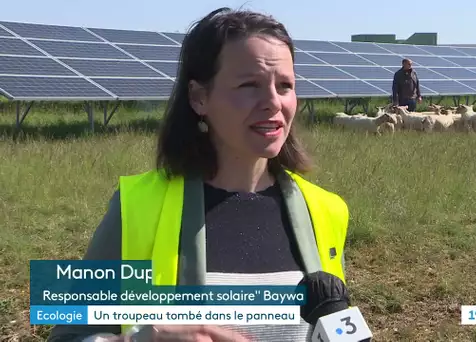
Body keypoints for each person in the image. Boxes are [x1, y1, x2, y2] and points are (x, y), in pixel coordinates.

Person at [47, 7, 350, 342]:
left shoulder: (327, 211)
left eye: (285, 85)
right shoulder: (136, 206)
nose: (272, 102)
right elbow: (67, 336)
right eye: (250, 85)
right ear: (199, 97)